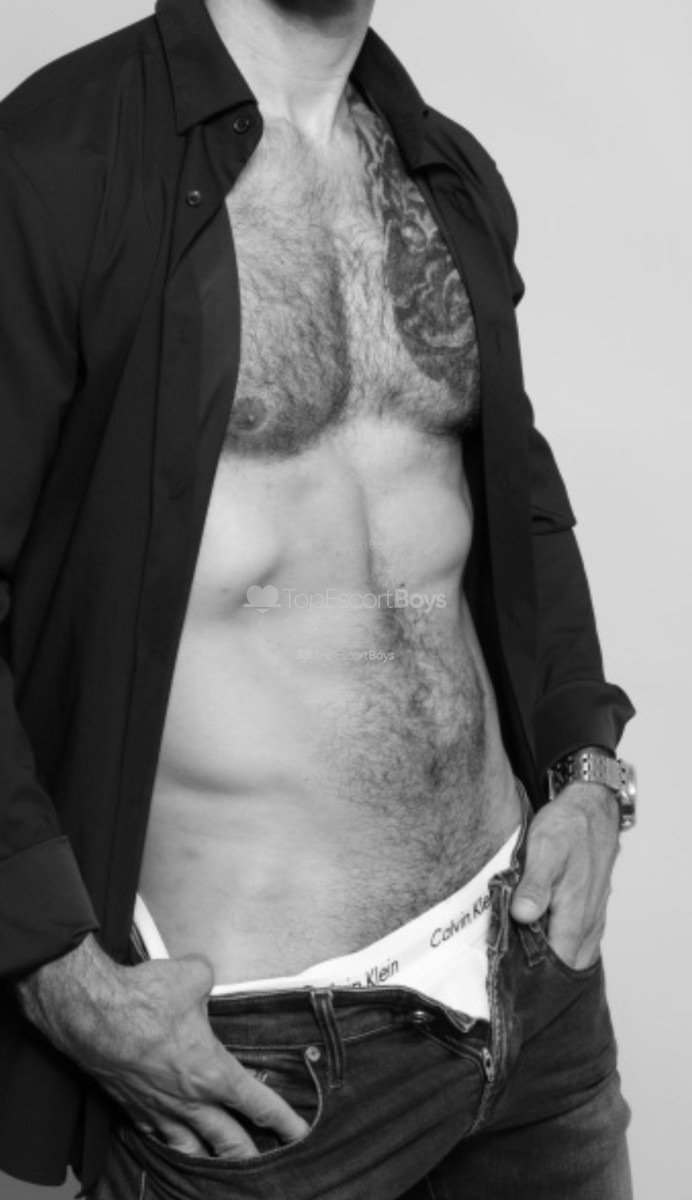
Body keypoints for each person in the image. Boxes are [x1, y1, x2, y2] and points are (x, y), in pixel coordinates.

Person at [0, 0, 637, 1196]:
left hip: (527, 990)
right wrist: (54, 970)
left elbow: (518, 510)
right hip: (254, 1063)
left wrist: (590, 775)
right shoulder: (53, 165)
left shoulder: (443, 172)